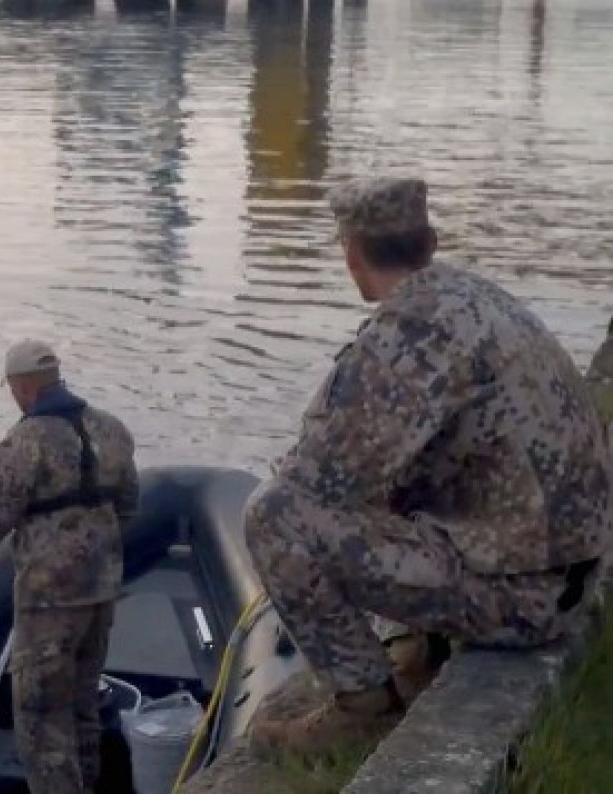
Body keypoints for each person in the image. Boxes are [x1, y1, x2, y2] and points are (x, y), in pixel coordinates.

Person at [243, 176, 613, 753]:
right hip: (567, 574)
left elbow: (321, 482)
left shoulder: (411, 331)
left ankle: (363, 707)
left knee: (274, 516)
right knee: (406, 467)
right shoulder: (473, 298)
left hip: (524, 602)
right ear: (430, 242)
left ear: (351, 254)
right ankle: (423, 646)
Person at [0, 339, 139, 794]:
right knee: (83, 707)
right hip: (101, 592)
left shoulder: (25, 442)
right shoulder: (111, 429)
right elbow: (129, 504)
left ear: (23, 388)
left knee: (42, 721)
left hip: (49, 602)